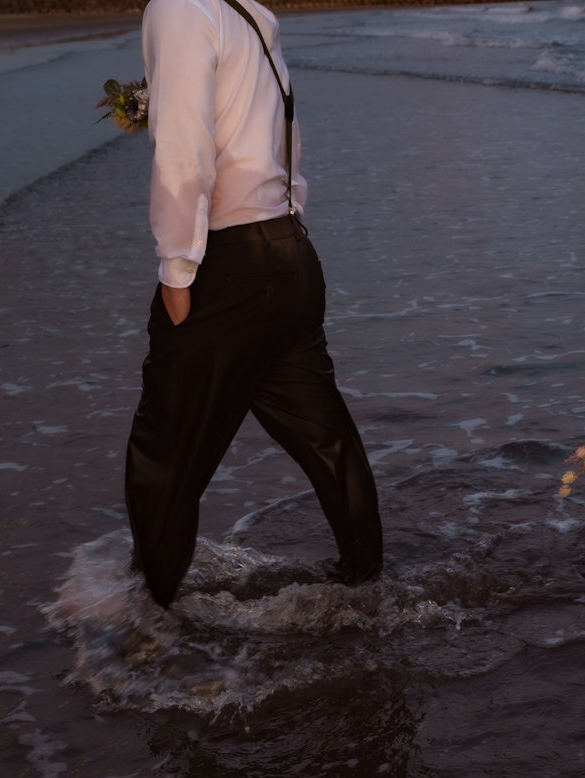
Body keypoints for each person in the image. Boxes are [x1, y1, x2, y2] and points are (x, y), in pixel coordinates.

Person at [125, 0, 383, 607]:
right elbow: (287, 136)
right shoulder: (248, 16)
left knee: (164, 444)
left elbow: (183, 146)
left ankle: (147, 618)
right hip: (289, 255)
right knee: (328, 441)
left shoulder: (180, 8)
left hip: (229, 266)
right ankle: (369, 586)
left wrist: (177, 269)